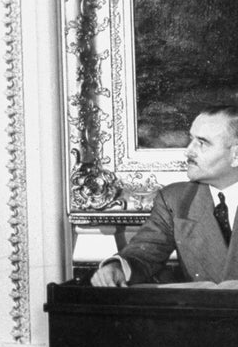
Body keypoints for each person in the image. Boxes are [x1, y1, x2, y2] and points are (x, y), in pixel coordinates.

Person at [92, 104, 238, 287]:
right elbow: (144, 252)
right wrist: (117, 267)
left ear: (236, 155)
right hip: (203, 313)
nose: (188, 151)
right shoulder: (175, 199)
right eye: (191, 139)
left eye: (202, 143)